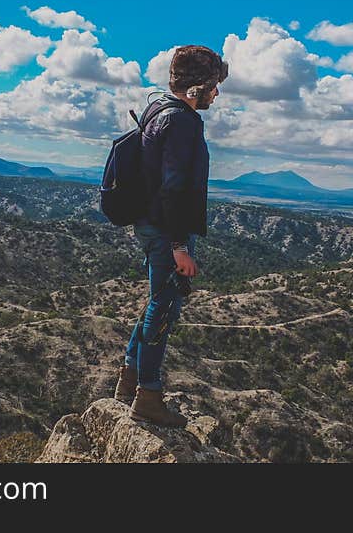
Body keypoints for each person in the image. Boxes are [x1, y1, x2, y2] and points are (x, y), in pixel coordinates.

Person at [112, 45, 228, 427]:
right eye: (213, 87)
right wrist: (180, 246)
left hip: (149, 223)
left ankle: (129, 381)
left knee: (156, 304)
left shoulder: (157, 109)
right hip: (166, 230)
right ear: (197, 88)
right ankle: (148, 396)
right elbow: (175, 187)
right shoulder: (183, 122)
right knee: (163, 311)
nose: (216, 95)